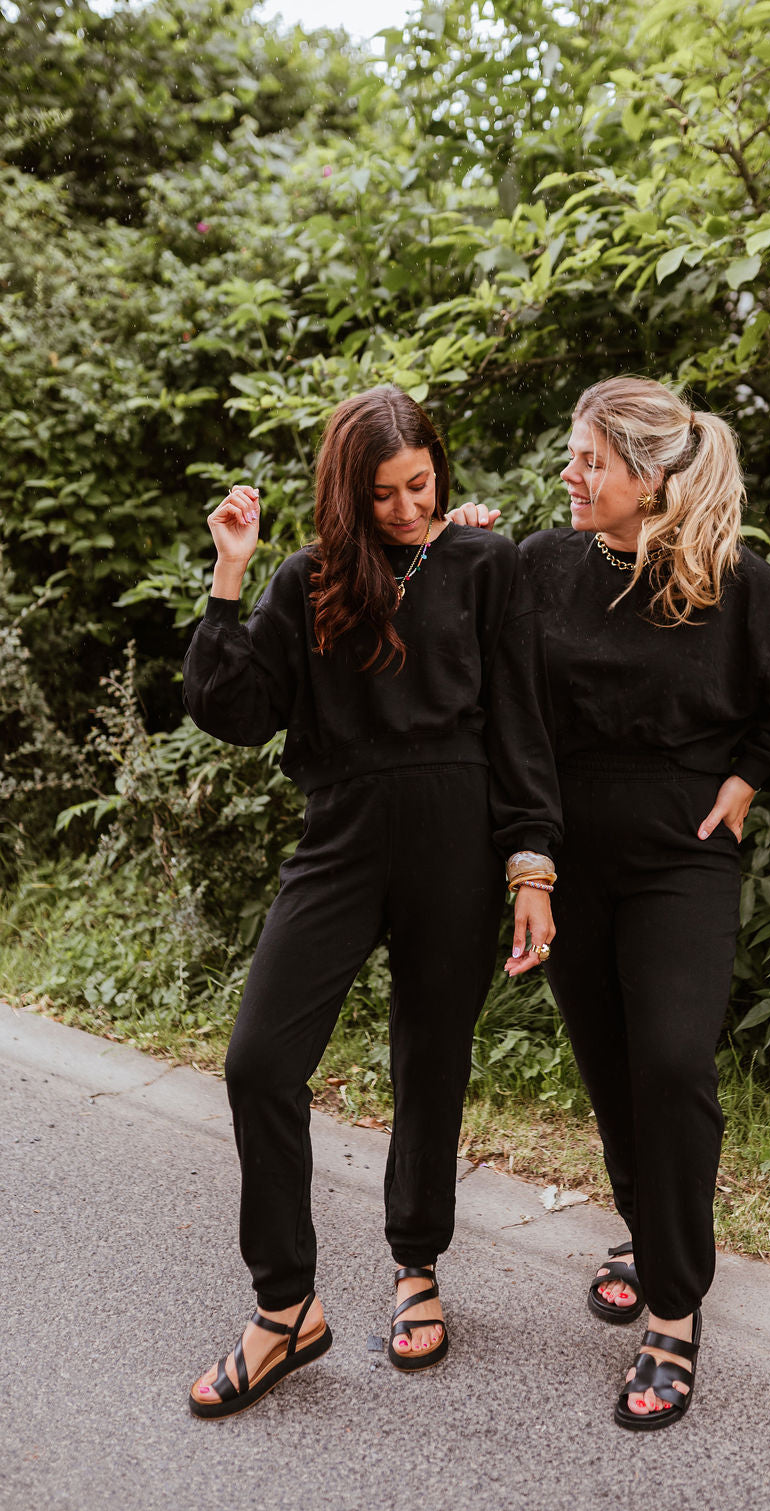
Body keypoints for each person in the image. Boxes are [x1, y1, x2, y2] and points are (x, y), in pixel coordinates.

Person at [453, 375, 770, 1430]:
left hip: (683, 856)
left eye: (588, 460)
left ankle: (674, 1312)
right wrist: (460, 551)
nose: (568, 474)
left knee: (673, 1064)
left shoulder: (726, 580)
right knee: (610, 1066)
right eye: (573, 456)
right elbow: (492, 691)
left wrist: (752, 775)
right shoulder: (543, 566)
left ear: (645, 477)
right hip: (570, 855)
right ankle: (645, 1232)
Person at [182, 385, 560, 1418]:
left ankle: (416, 1266)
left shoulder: (485, 563)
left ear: (440, 470)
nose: (406, 509)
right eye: (384, 494)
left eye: (420, 486)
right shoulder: (309, 580)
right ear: (349, 492)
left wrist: (531, 864)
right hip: (340, 838)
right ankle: (285, 1307)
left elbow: (520, 722)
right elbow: (233, 710)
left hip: (456, 838)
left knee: (429, 1059)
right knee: (260, 1060)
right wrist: (230, 573)